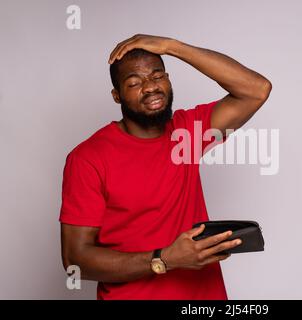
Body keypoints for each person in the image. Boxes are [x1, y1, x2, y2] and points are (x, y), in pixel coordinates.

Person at [59, 34, 272, 300]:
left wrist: (173, 47)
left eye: (157, 76)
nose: (149, 87)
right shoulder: (88, 158)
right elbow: (75, 260)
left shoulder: (186, 134)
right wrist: (164, 259)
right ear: (117, 96)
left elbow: (256, 89)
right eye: (134, 82)